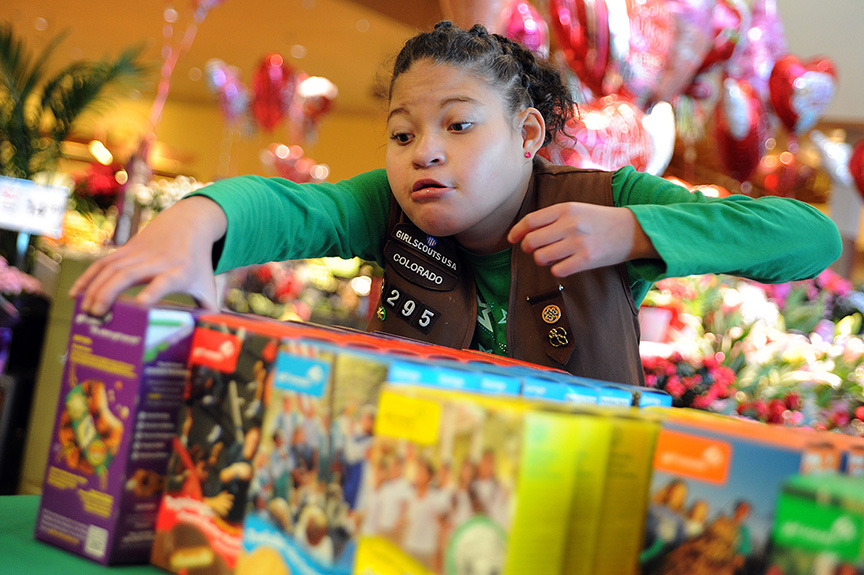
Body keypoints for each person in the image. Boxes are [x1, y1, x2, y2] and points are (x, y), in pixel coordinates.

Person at [70, 21, 841, 384]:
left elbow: (807, 237)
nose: (424, 152)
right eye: (402, 134)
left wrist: (633, 230)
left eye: (459, 125)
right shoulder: (391, 207)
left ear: (528, 131)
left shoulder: (602, 202)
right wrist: (192, 226)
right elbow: (289, 208)